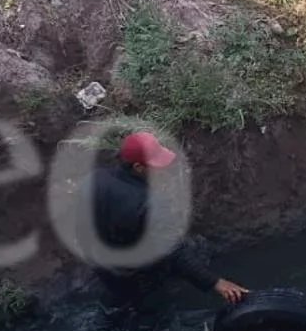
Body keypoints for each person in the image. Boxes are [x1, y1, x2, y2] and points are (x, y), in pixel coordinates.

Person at [76, 131, 248, 319]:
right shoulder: (150, 203)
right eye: (157, 165)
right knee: (152, 313)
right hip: (138, 273)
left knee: (119, 300)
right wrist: (216, 283)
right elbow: (174, 253)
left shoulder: (93, 179)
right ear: (139, 167)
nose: (164, 168)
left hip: (102, 264)